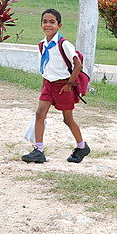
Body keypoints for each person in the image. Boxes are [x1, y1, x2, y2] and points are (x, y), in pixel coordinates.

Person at [22, 9, 90, 164]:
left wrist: (69, 85)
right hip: (48, 85)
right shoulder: (42, 45)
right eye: (45, 21)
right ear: (41, 25)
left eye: (52, 22)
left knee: (67, 119)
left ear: (59, 25)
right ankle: (38, 150)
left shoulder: (64, 44)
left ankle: (82, 146)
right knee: (40, 114)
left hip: (63, 85)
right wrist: (43, 87)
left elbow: (77, 64)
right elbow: (45, 68)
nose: (48, 25)